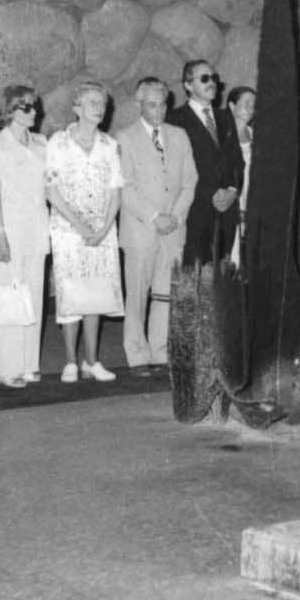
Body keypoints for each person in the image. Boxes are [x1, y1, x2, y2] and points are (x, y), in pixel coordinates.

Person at [115, 77, 196, 378]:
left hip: (174, 230)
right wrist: (154, 217)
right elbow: (124, 187)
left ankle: (160, 351)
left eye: (162, 104)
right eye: (152, 105)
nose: (159, 110)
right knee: (137, 293)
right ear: (139, 106)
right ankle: (136, 354)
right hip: (140, 230)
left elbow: (190, 182)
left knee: (165, 294)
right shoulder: (125, 137)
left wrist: (174, 216)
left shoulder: (180, 135)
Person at [45, 81, 123, 383]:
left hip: (103, 231)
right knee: (72, 294)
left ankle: (92, 360)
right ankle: (70, 362)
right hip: (67, 230)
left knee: (96, 295)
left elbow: (116, 191)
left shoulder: (109, 145)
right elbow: (51, 190)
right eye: (91, 102)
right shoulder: (57, 143)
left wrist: (103, 228)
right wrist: (79, 226)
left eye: (101, 103)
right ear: (76, 107)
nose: (98, 108)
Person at [0, 85, 49, 388]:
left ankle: (29, 364)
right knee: (9, 298)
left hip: (37, 229)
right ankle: (7, 368)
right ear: (10, 110)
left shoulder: (42, 144)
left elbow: (50, 188)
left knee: (33, 299)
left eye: (35, 106)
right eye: (26, 107)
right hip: (8, 230)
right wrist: (1, 236)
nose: (33, 112)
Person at [166, 59, 244, 266]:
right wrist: (211, 193)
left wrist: (232, 190)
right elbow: (177, 170)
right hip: (195, 211)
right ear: (188, 85)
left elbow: (237, 160)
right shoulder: (175, 119)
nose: (212, 83)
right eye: (204, 78)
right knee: (193, 280)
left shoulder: (225, 117)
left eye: (214, 78)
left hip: (226, 213)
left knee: (221, 282)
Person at [228, 85, 257, 268]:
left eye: (253, 104)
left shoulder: (256, 135)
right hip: (232, 204)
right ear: (232, 105)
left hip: (251, 204)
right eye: (245, 103)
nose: (250, 108)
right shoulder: (224, 134)